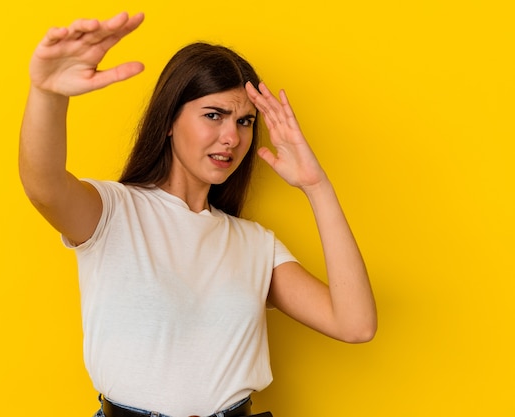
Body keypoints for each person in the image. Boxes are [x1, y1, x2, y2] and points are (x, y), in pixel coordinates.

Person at [19, 11, 377, 417]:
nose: (232, 137)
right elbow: (44, 186)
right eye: (214, 115)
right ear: (170, 121)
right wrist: (48, 94)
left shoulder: (254, 244)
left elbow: (355, 325)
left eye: (245, 121)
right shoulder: (114, 212)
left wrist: (317, 186)